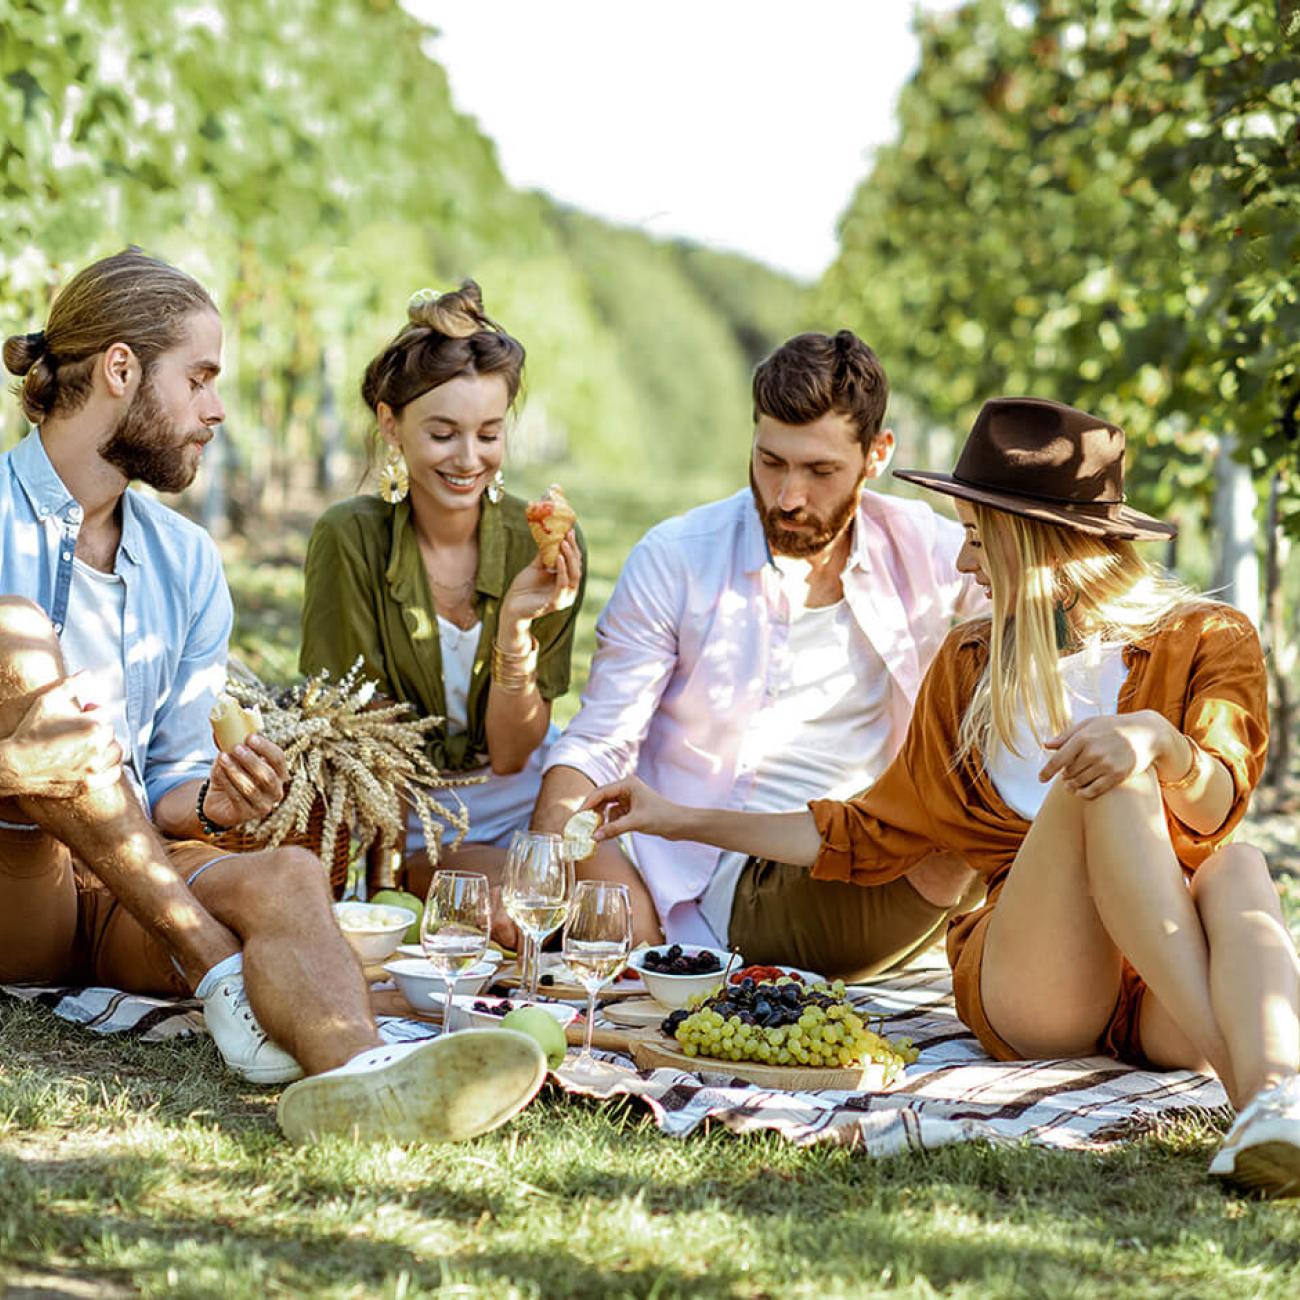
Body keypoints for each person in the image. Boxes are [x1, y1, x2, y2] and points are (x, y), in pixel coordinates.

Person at [584, 395, 1300, 1197]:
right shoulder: (968, 666)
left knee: (1236, 867)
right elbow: (864, 832)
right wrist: (676, 817)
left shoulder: (1208, 638)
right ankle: (1254, 1098)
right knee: (1099, 777)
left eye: (976, 539)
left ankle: (1280, 1104)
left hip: (1166, 988)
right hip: (1042, 982)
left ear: (1037, 543)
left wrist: (1161, 740)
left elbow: (1215, 807)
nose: (962, 565)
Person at [0, 249, 546, 1144]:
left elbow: (168, 778)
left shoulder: (184, 560)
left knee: (289, 875)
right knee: (15, 637)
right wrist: (17, 768)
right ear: (121, 369)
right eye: (200, 379)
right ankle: (216, 964)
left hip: (131, 893)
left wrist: (210, 800)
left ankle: (366, 1079)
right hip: (19, 878)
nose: (217, 409)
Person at [531, 330, 985, 975]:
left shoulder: (923, 546)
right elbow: (598, 741)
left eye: (820, 471)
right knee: (962, 825)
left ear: (877, 455)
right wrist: (567, 855)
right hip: (733, 878)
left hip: (870, 850)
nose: (788, 497)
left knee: (1016, 758)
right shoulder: (678, 559)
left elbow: (1044, 609)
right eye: (771, 462)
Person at [299, 282, 584, 899]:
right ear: (391, 424)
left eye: (489, 433)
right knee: (504, 909)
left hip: (528, 798)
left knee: (623, 917)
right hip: (418, 818)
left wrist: (514, 629)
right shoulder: (350, 538)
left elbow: (512, 756)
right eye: (443, 433)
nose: (468, 459)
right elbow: (363, 735)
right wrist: (389, 879)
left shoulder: (540, 540)